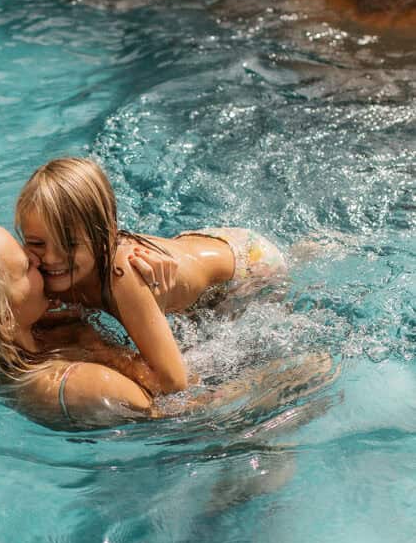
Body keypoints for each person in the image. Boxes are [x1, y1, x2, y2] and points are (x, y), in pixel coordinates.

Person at [0, 208, 326, 430]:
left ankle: (305, 255)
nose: (41, 261)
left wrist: (132, 279)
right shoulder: (86, 388)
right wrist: (286, 382)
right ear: (4, 318)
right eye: (27, 267)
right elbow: (188, 420)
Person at [16, 157, 288, 395]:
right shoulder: (45, 269)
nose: (51, 258)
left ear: (104, 236)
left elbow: (174, 382)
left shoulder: (124, 277)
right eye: (37, 243)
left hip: (248, 267)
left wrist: (99, 350)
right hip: (196, 248)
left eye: (70, 245)